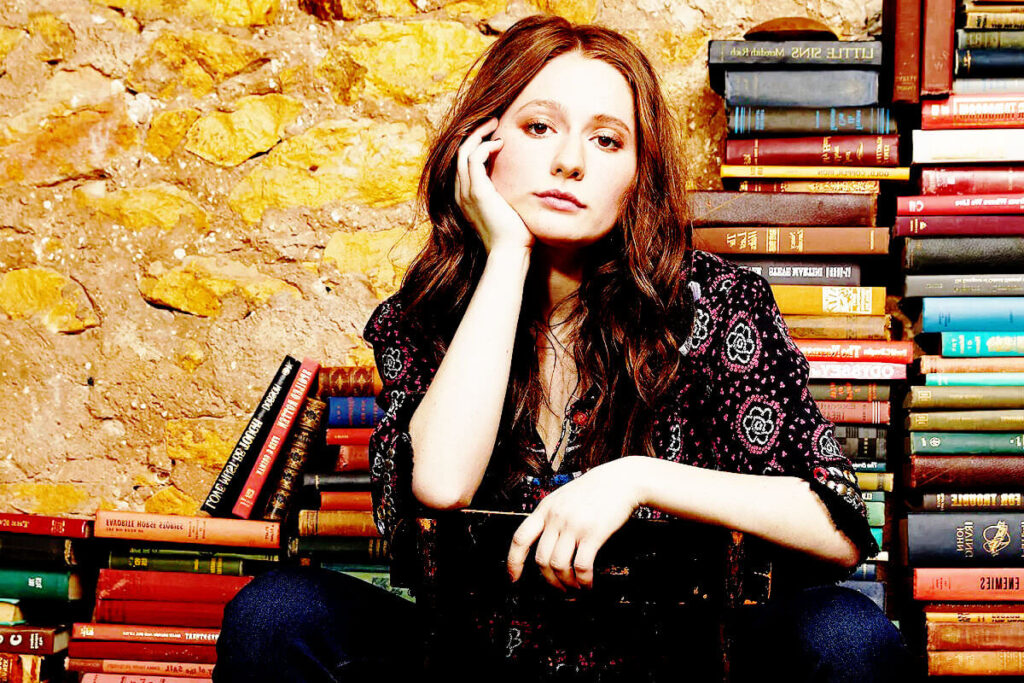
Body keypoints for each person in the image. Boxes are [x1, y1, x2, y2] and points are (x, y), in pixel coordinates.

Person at [214, 14, 911, 682]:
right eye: (539, 126)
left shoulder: (715, 303)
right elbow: (439, 485)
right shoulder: (424, 317)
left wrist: (637, 476)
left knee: (846, 633)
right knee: (278, 614)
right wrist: (507, 254)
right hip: (469, 666)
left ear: (639, 173)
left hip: (679, 666)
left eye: (608, 140)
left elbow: (837, 522)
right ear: (481, 147)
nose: (570, 161)